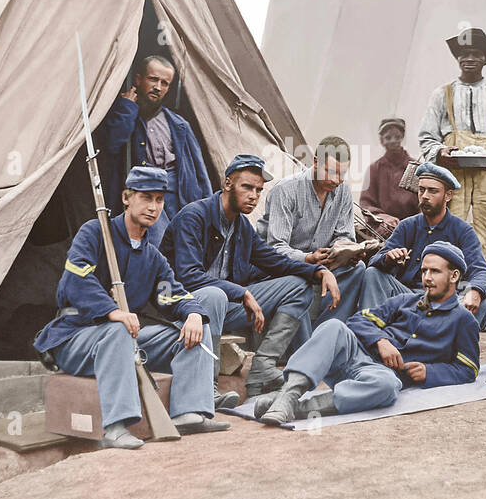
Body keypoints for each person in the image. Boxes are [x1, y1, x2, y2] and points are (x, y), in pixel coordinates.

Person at [32, 166, 228, 450]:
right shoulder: (95, 233)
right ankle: (114, 427)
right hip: (75, 337)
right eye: (145, 197)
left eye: (159, 200)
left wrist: (194, 313)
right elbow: (77, 278)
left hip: (123, 339)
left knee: (194, 328)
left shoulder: (153, 257)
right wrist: (112, 311)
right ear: (126, 197)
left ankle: (189, 412)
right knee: (117, 331)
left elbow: (172, 295)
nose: (153, 207)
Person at [164, 153, 340, 402]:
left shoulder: (241, 226)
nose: (254, 196)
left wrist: (318, 270)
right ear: (227, 184)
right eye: (247, 187)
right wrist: (241, 292)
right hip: (187, 308)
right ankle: (208, 388)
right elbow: (188, 276)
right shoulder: (194, 217)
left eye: (259, 190)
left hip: (227, 308)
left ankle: (262, 369)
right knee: (213, 295)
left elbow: (275, 261)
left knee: (298, 286)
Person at [254, 242, 481, 426]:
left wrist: (431, 372)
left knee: (387, 387)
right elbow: (358, 320)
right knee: (334, 327)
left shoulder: (463, 320)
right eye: (424, 271)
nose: (427, 278)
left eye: (435, 271)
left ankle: (297, 407)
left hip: (379, 375)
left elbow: (467, 369)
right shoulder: (405, 301)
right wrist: (380, 340)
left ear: (454, 276)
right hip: (354, 356)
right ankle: (289, 395)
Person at [418, 24, 486, 272]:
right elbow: (427, 135)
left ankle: (480, 284)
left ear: (485, 58)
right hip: (452, 170)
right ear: (457, 58)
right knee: (448, 226)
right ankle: (447, 282)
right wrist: (440, 151)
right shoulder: (442, 94)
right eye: (464, 54)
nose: (469, 59)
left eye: (476, 54)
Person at [362, 162, 486, 330]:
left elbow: (481, 271)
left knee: (484, 306)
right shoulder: (407, 226)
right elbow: (376, 260)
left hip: (444, 302)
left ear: (448, 195)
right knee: (373, 273)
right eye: (421, 190)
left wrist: (475, 291)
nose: (424, 196)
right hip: (408, 299)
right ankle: (369, 332)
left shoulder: (463, 230)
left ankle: (432, 338)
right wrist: (388, 257)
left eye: (433, 191)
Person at [97, 53, 212, 244]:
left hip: (179, 197)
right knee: (157, 245)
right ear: (139, 79)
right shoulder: (125, 112)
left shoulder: (178, 124)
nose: (158, 87)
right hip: (146, 196)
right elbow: (113, 144)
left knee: (184, 246)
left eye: (164, 83)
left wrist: (208, 209)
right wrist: (127, 108)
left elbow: (200, 172)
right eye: (153, 79)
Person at [257, 135, 367, 329]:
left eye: (342, 174)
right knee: (301, 279)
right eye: (331, 171)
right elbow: (275, 248)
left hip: (322, 264)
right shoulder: (286, 190)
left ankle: (326, 331)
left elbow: (344, 235)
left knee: (358, 269)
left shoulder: (343, 191)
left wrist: (344, 251)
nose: (336, 180)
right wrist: (307, 259)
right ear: (316, 162)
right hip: (285, 267)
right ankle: (306, 341)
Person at [358, 117, 419, 237]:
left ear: (403, 137)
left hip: (413, 226)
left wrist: (412, 223)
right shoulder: (374, 169)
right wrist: (382, 217)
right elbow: (365, 203)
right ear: (381, 140)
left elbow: (424, 202)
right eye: (388, 137)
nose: (393, 141)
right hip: (384, 227)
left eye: (397, 137)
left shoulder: (415, 167)